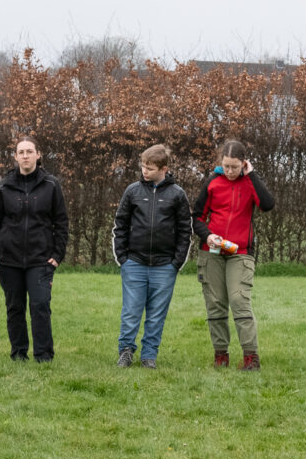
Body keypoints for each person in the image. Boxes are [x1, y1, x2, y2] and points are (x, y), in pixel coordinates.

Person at [191, 140, 274, 370]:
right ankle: (221, 355)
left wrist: (251, 176)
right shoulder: (212, 183)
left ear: (244, 163)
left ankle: (251, 357)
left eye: (234, 167)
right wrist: (207, 235)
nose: (229, 171)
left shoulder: (250, 183)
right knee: (215, 303)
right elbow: (196, 217)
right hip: (212, 252)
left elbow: (267, 205)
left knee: (239, 300)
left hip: (241, 253)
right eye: (226, 166)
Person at [0, 137, 68, 362]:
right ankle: (18, 354)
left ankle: (44, 356)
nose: (25, 156)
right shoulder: (4, 185)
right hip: (9, 258)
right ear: (15, 157)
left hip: (41, 258)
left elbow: (61, 222)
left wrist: (58, 254)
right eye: (21, 152)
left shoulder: (51, 185)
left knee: (40, 305)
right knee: (15, 307)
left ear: (38, 155)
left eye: (29, 151)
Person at [112, 144, 192, 369]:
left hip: (165, 266)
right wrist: (123, 258)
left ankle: (149, 356)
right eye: (142, 166)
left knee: (156, 315)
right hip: (134, 263)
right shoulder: (132, 191)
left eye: (149, 168)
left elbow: (185, 231)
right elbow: (120, 225)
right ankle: (126, 350)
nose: (144, 171)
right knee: (131, 311)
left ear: (163, 168)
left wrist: (176, 262)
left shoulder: (177, 195)